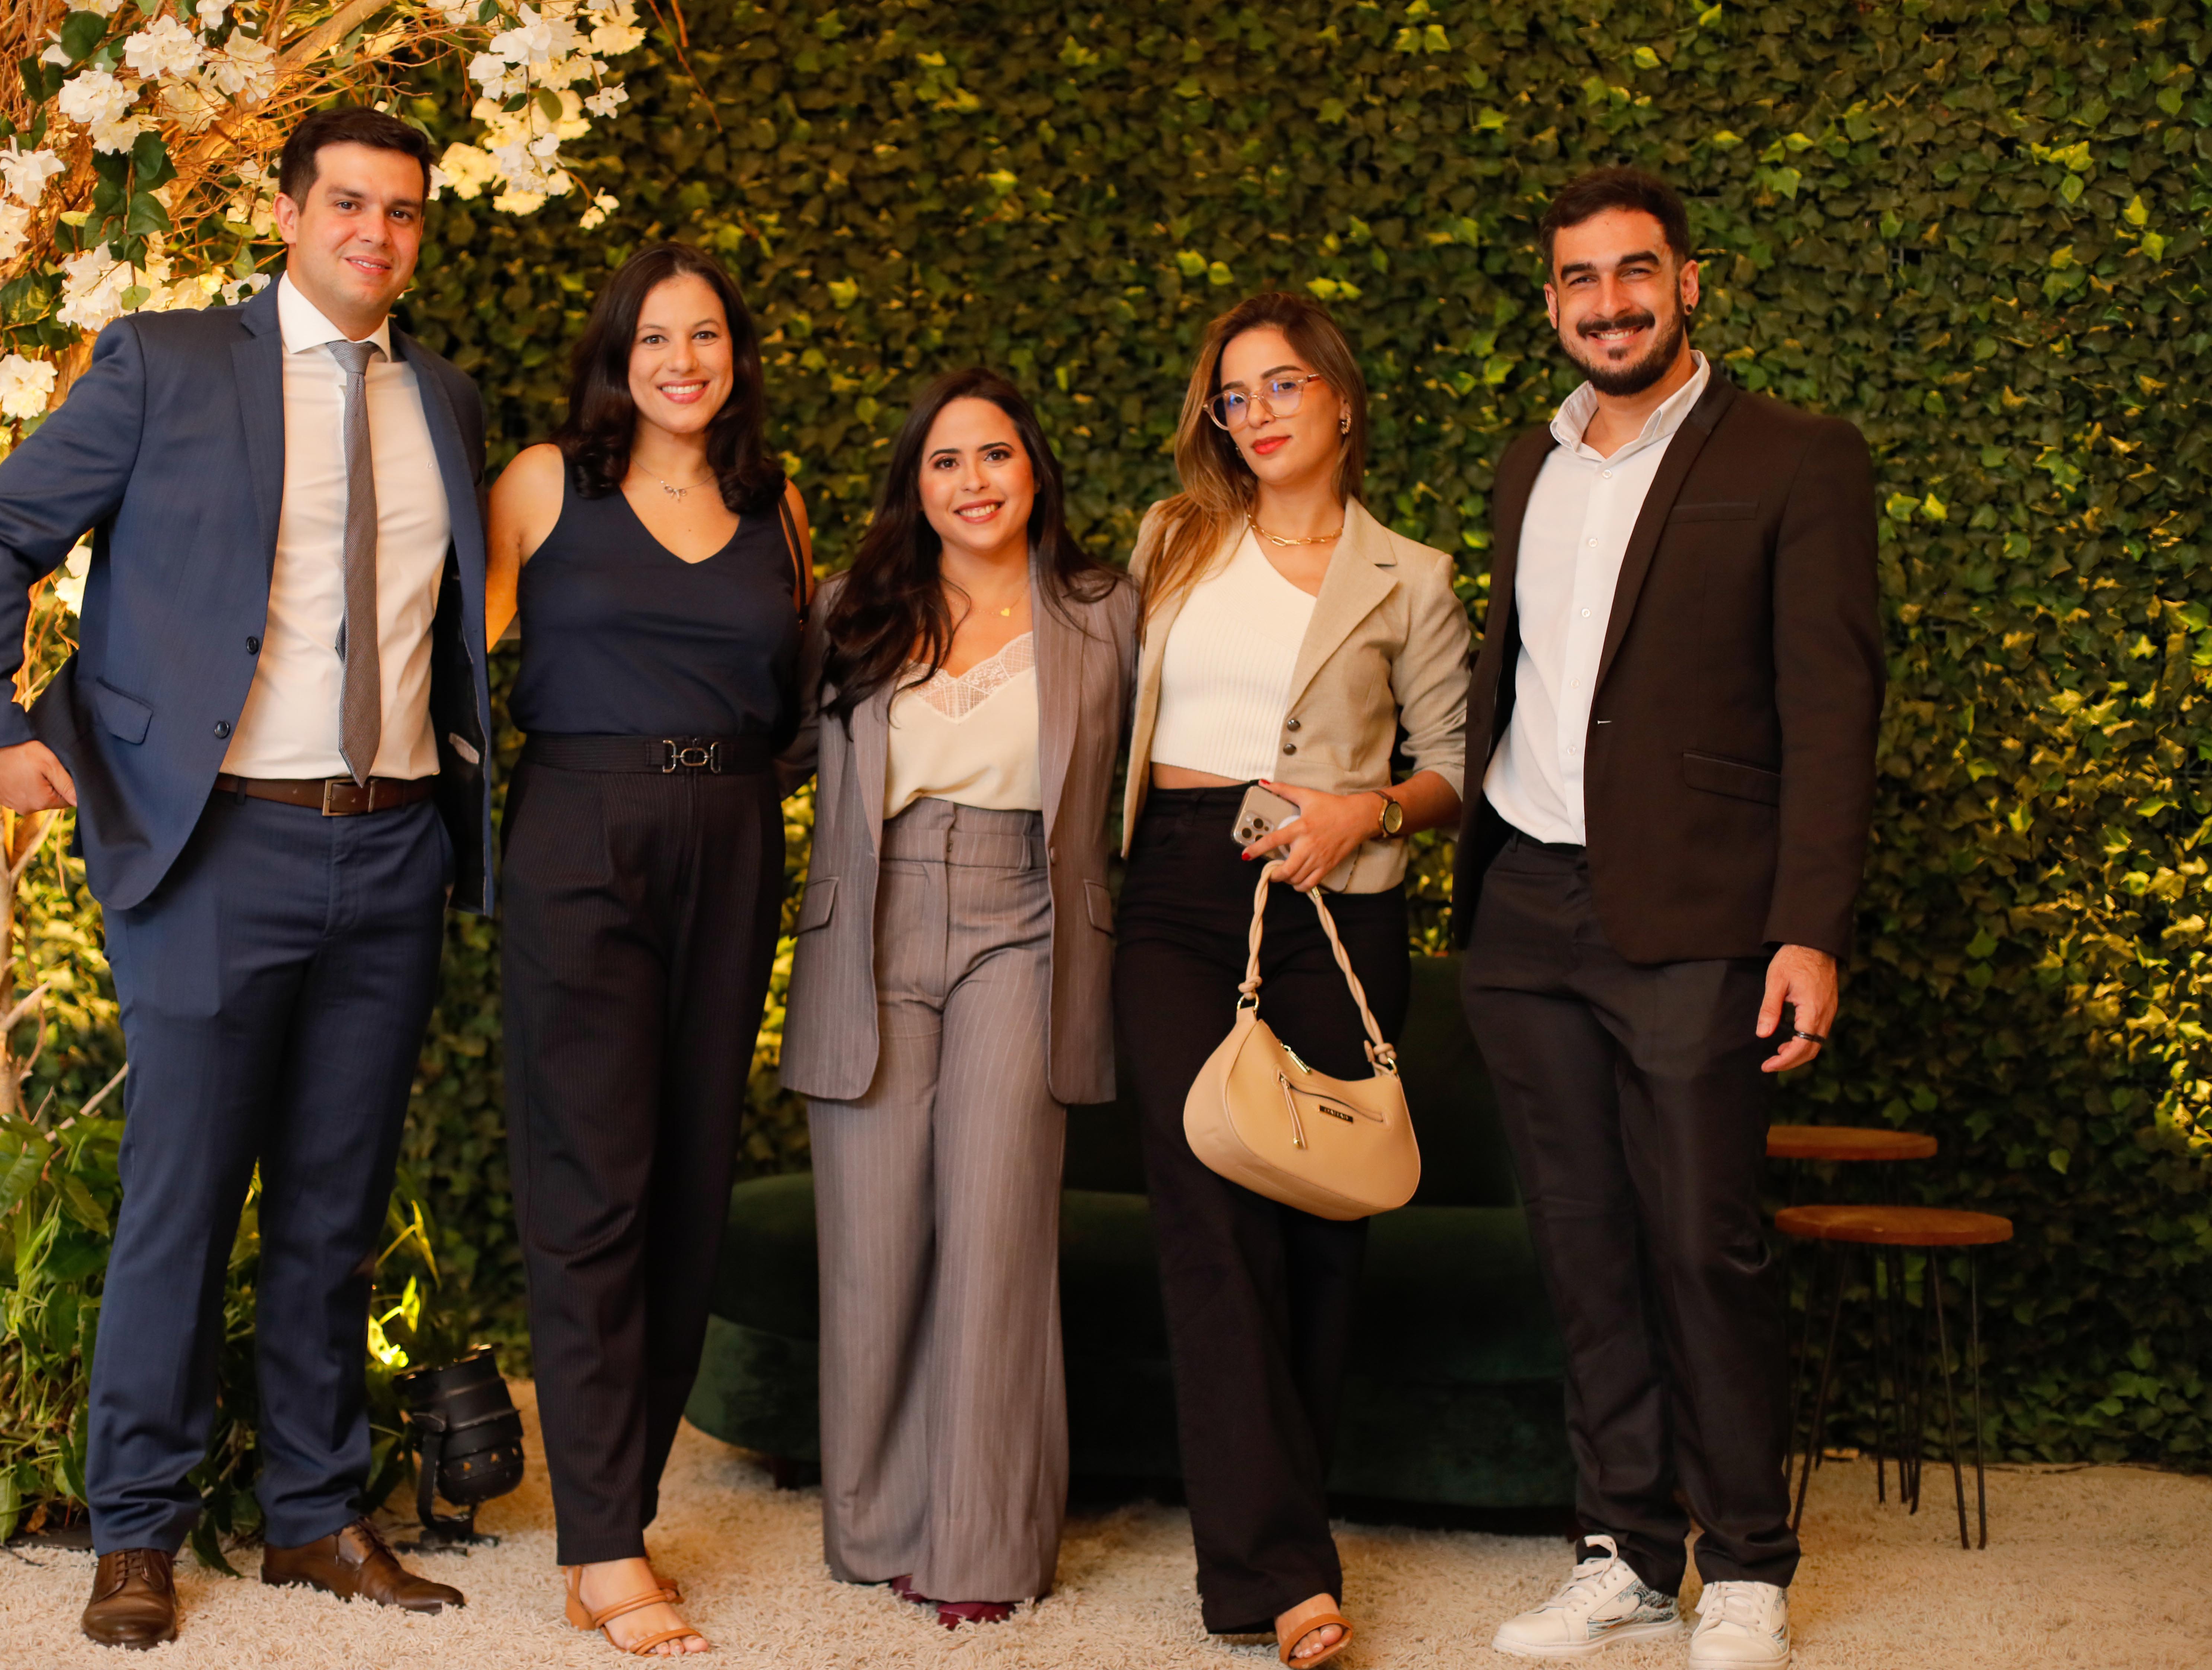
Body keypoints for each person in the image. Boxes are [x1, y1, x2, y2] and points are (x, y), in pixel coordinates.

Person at [0, 109, 489, 1648]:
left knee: (334, 1205)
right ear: (289, 213)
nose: (377, 233)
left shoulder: (445, 399)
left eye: (403, 212)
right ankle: (137, 1528)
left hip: (394, 840)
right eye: (350, 204)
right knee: (181, 1200)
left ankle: (315, 1514)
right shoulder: (166, 364)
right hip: (212, 841)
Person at [1457, 167, 1882, 1670]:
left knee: (1704, 1243)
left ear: (1688, 282)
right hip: (1527, 903)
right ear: (1552, 301)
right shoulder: (1527, 463)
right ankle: (1625, 1552)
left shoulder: (1796, 457)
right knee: (1583, 1250)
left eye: (1636, 271)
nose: (1611, 302)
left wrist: (1809, 927)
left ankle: (1748, 1562)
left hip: (1700, 911)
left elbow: (1832, 710)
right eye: (1581, 279)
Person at [1113, 292, 1472, 1669]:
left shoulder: (1412, 576)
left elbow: (1454, 769)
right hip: (1173, 892)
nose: (1255, 414)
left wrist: (1362, 811)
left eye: (1280, 386)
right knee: (1208, 1213)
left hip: (1331, 899)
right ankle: (1281, 1577)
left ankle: (1279, 1539)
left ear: (1340, 398)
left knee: (1322, 1230)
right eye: (1233, 395)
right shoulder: (1174, 538)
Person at [483, 242, 809, 1659]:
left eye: (708, 335)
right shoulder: (545, 484)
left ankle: (623, 1506)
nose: (684, 361)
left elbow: (803, 697)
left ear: (738, 354)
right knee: (592, 1184)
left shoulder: (775, 503)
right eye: (657, 337)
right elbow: (442, 655)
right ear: (618, 355)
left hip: (731, 836)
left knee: (688, 1186)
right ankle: (604, 1545)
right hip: (581, 830)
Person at [777, 369, 1136, 1628]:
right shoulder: (851, 608)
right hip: (869, 927)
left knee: (995, 1233)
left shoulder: (1106, 610)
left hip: (1026, 920)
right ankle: (877, 1526)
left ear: (1034, 469)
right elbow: (773, 747)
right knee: (871, 1247)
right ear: (914, 486)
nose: (973, 481)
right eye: (945, 461)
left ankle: (982, 1550)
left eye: (995, 455)